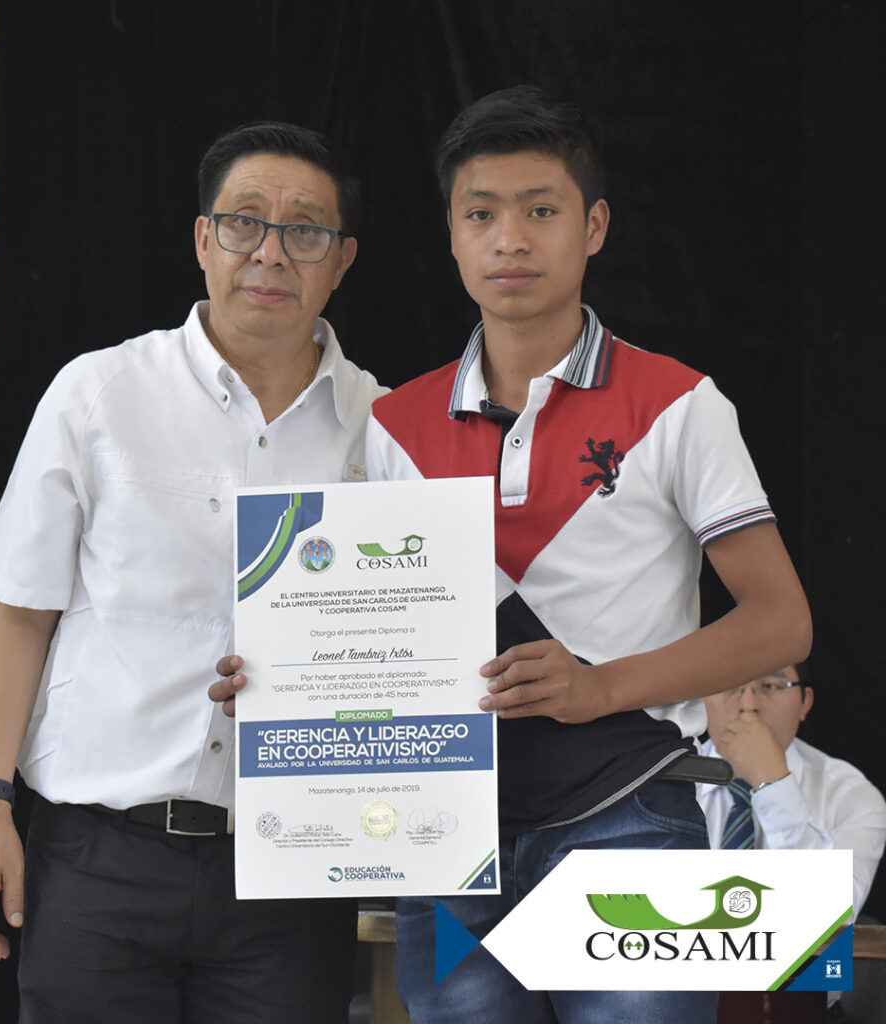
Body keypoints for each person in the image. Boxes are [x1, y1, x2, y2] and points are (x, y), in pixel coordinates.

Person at [361, 87, 811, 1023]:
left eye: (541, 210)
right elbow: (374, 633)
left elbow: (781, 622)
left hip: (631, 815)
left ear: (594, 225)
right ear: (451, 234)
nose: (509, 239)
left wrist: (600, 686)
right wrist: (284, 679)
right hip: (446, 840)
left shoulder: (679, 403)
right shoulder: (392, 424)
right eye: (481, 214)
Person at [0, 121, 386, 1024]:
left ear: (343, 261)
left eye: (305, 231)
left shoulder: (386, 429)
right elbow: (19, 613)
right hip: (99, 861)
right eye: (244, 222)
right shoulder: (99, 393)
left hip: (294, 870)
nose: (270, 252)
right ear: (202, 238)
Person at [699, 665, 886, 916]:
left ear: (804, 703)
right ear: (699, 702)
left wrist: (772, 782)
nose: (748, 705)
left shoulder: (850, 796)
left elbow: (832, 915)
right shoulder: (660, 782)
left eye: (770, 686)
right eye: (729, 686)